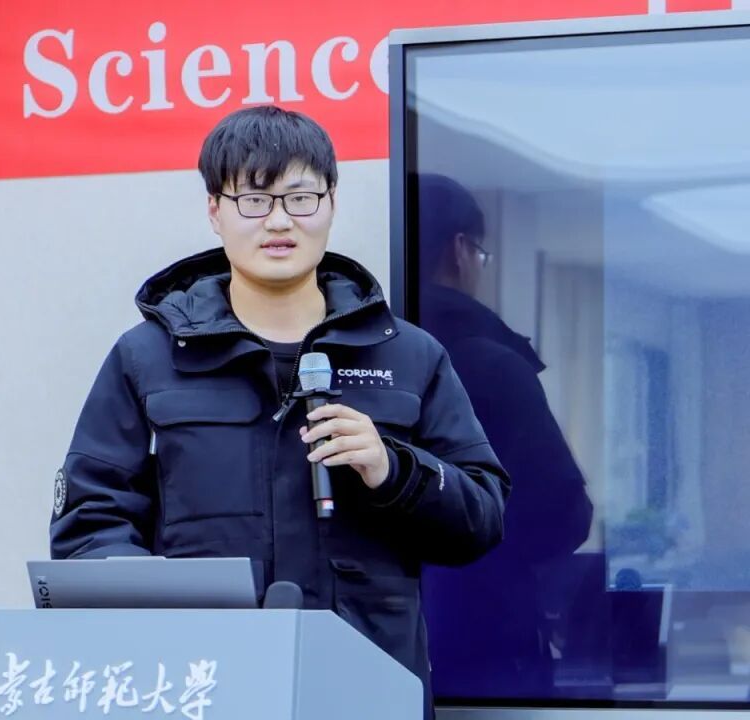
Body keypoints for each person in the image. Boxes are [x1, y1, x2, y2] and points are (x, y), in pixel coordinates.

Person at [50, 107, 510, 714]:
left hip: (366, 688)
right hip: (203, 689)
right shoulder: (148, 357)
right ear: (214, 209)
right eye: (253, 199)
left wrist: (393, 469)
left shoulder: (408, 355)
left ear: (332, 203)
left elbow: (482, 518)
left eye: (300, 197)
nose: (278, 221)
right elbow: (89, 526)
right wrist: (170, 617)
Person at [416, 174, 594, 698]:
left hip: (378, 640)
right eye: (481, 255)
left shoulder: (352, 359)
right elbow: (560, 515)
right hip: (486, 643)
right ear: (460, 251)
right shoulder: (491, 365)